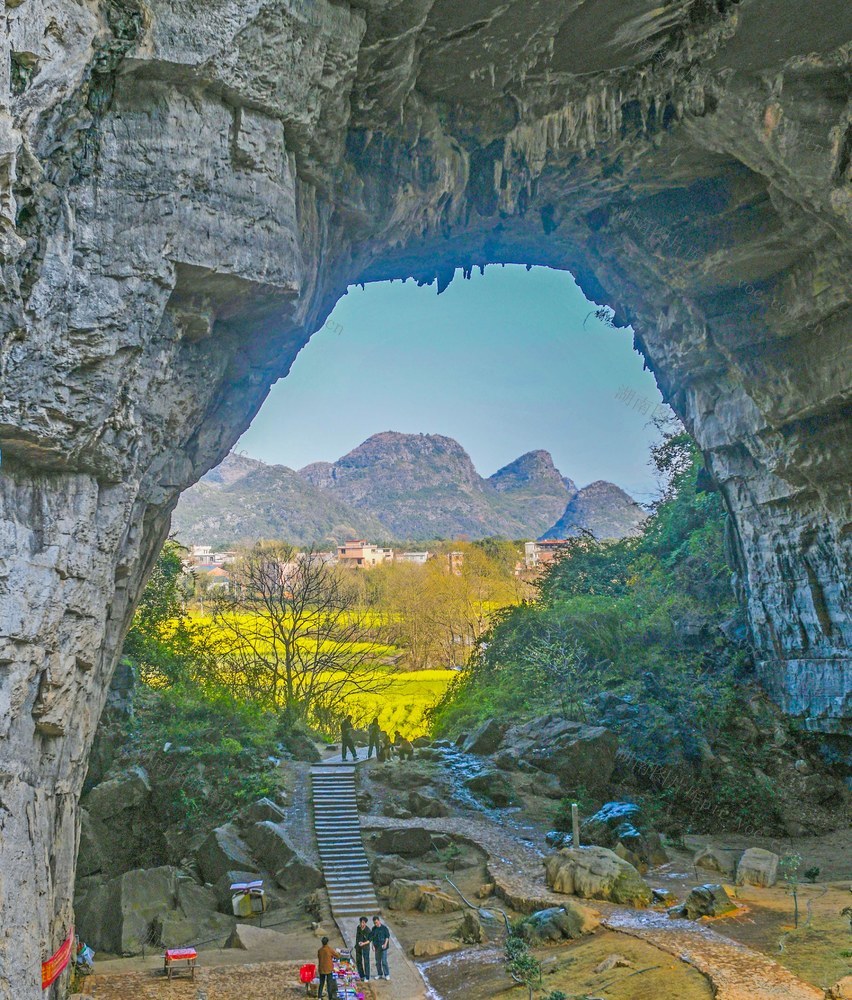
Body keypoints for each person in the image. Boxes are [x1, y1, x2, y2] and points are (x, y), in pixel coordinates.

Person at [371, 915, 390, 980]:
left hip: (383, 947)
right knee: (377, 962)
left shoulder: (384, 928)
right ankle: (379, 974)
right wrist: (373, 946)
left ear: (379, 921)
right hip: (377, 947)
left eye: (376, 922)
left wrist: (385, 944)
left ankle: (387, 974)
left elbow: (387, 937)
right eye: (374, 923)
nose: (376, 924)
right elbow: (372, 938)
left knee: (384, 961)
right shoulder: (373, 929)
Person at [354, 916, 371, 981]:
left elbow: (369, 940)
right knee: (358, 961)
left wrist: (363, 943)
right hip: (358, 947)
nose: (362, 924)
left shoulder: (368, 930)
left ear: (365, 923)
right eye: (361, 922)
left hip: (365, 948)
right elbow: (357, 937)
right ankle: (361, 975)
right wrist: (357, 945)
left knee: (366, 961)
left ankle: (367, 977)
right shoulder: (358, 928)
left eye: (363, 923)